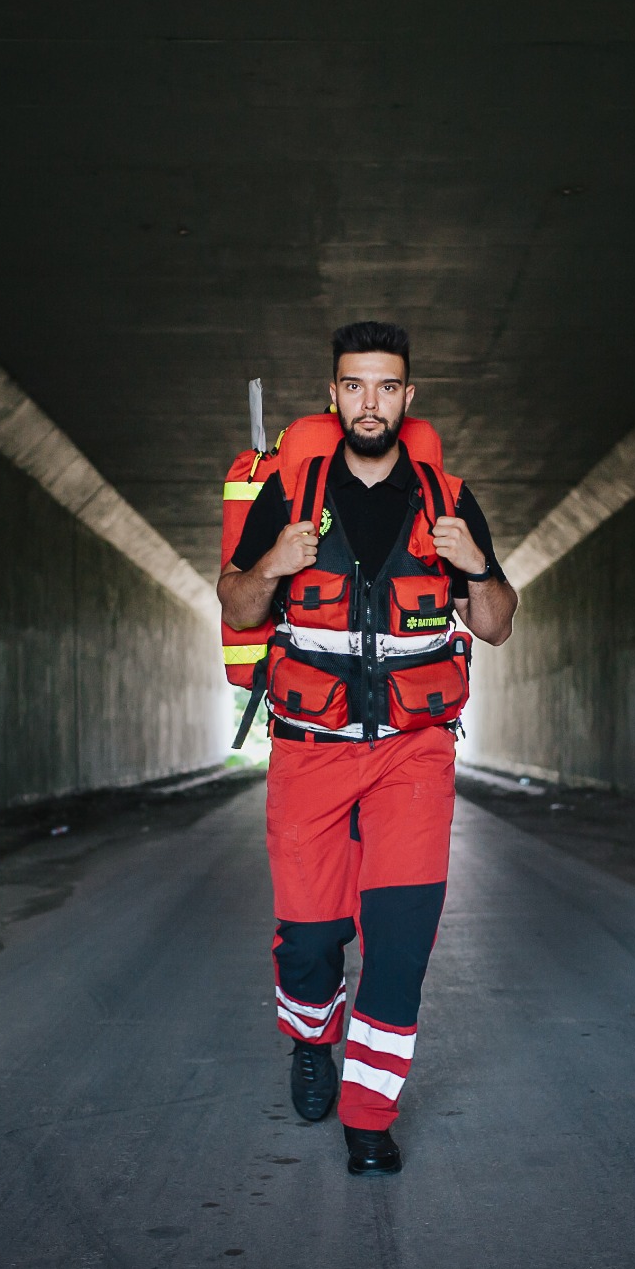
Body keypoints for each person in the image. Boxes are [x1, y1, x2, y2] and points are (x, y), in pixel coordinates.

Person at [218, 321, 517, 1175]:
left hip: (413, 753)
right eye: (355, 386)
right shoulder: (292, 491)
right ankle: (312, 1035)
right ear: (334, 393)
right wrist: (272, 560)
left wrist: (480, 569)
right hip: (310, 750)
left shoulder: (451, 501)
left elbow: (494, 627)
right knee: (311, 942)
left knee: (400, 941)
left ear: (408, 397)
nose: (371, 403)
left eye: (388, 387)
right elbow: (239, 606)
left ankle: (368, 1118)